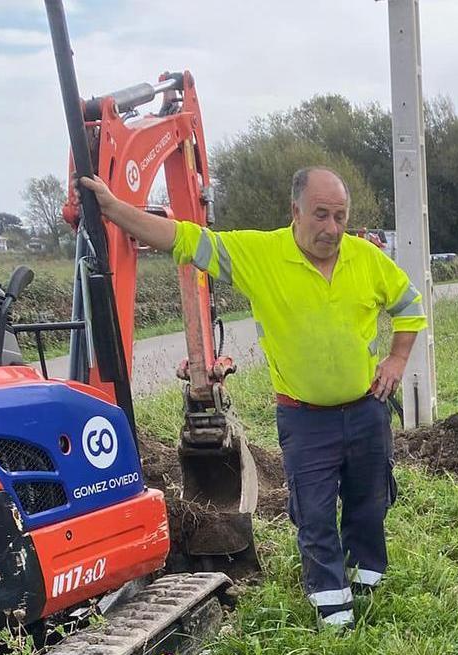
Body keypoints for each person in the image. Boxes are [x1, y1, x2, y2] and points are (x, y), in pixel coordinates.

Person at [76, 167, 426, 629]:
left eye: (340, 216)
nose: (332, 229)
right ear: (294, 212)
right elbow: (184, 239)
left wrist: (397, 361)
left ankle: (367, 582)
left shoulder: (367, 258)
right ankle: (333, 610)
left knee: (368, 503)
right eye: (321, 215)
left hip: (366, 411)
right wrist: (115, 209)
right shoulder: (260, 254)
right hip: (306, 419)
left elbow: (409, 307)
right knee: (315, 511)